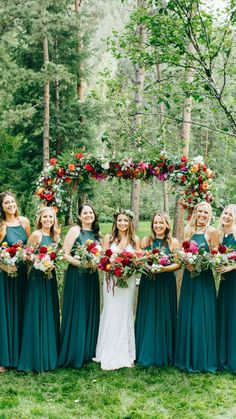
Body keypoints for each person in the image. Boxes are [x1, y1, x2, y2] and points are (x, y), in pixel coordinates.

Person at [175, 201, 219, 372]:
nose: (202, 215)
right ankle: (186, 357)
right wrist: (187, 261)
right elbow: (182, 254)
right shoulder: (188, 230)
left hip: (204, 280)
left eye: (205, 213)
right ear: (195, 213)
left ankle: (202, 358)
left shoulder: (212, 232)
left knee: (202, 315)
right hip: (189, 279)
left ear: (209, 215)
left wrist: (201, 263)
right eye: (199, 211)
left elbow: (216, 256)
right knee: (188, 315)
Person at [94, 208, 140, 370]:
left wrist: (129, 270)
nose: (122, 223)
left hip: (128, 282)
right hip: (111, 282)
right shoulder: (108, 238)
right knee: (111, 310)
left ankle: (125, 352)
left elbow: (138, 259)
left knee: (125, 312)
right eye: (119, 220)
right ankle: (107, 351)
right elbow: (103, 260)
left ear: (130, 222)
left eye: (125, 220)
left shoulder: (134, 239)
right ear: (115, 222)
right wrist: (112, 268)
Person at [18, 207, 60, 372]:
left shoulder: (55, 236)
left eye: (51, 217)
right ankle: (34, 357)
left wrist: (52, 263)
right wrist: (38, 262)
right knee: (36, 313)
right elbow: (26, 256)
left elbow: (58, 255)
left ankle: (49, 354)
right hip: (37, 278)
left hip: (50, 278)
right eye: (45, 217)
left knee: (49, 312)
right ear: (40, 219)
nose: (48, 219)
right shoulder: (36, 235)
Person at [135, 211, 180, 367]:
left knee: (164, 314)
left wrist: (163, 269)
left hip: (166, 282)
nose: (158, 225)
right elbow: (139, 259)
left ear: (167, 224)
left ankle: (164, 352)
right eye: (156, 222)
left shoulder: (173, 242)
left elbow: (178, 264)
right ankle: (145, 350)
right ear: (152, 224)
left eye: (161, 222)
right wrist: (149, 266)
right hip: (149, 282)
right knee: (149, 313)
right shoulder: (146, 240)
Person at [59, 204, 100, 368]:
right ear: (79, 215)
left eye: (91, 212)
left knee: (89, 310)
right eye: (85, 213)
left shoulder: (96, 234)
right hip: (77, 276)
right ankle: (75, 352)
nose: (88, 215)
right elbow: (64, 254)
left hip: (91, 277)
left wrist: (97, 262)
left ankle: (88, 352)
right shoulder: (75, 230)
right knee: (78, 311)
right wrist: (82, 264)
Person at [0, 191, 30, 371]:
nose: (11, 205)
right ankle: (3, 358)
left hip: (22, 275)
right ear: (1, 207)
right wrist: (3, 267)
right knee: (5, 314)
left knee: (20, 311)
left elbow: (29, 248)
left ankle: (19, 354)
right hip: (4, 275)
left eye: (12, 201)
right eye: (6, 203)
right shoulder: (1, 225)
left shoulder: (24, 222)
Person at [217, 204, 236, 373]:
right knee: (224, 315)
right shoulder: (220, 236)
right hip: (224, 282)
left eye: (230, 214)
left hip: (234, 281)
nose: (227, 216)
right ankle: (223, 357)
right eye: (225, 213)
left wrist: (231, 267)